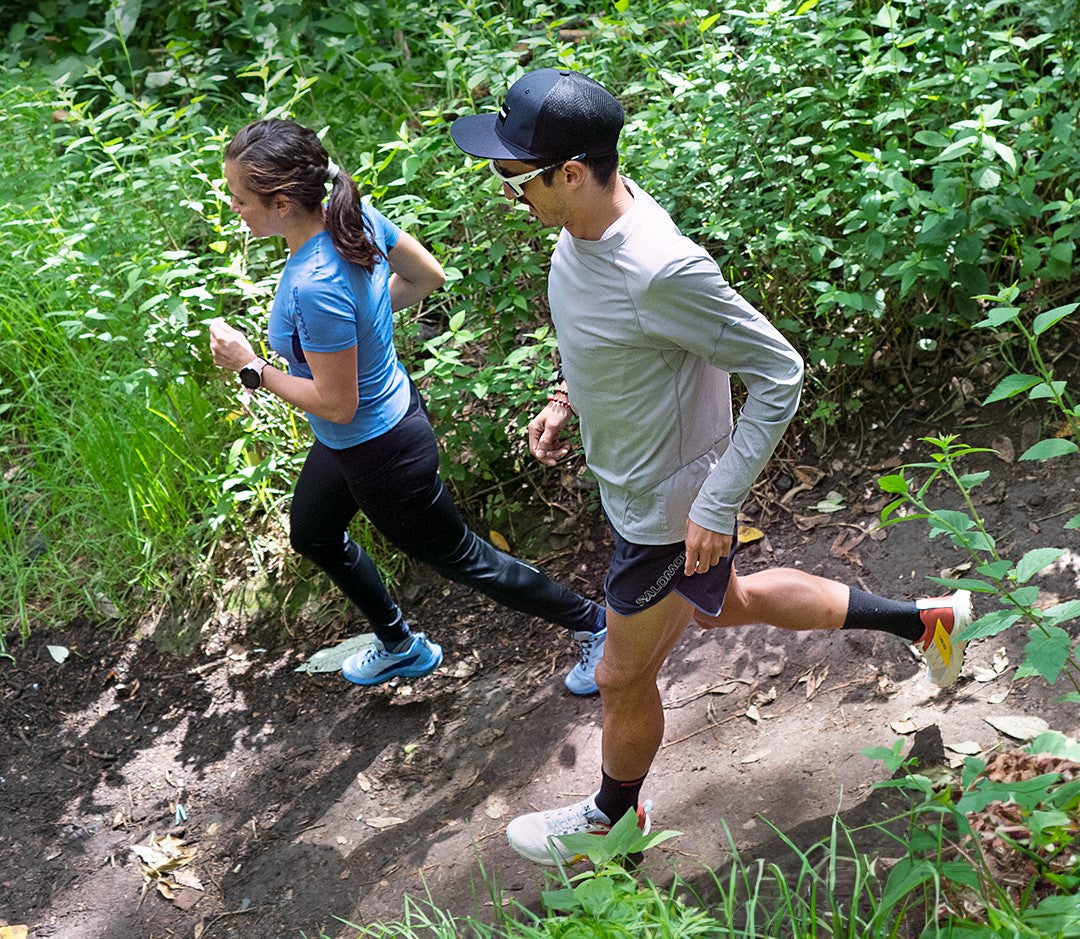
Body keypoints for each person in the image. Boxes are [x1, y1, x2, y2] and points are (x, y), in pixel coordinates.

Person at [450, 68, 973, 865]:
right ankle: (926, 621)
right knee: (732, 603)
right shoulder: (581, 226)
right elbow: (606, 335)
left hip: (670, 513)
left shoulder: (662, 267)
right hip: (639, 490)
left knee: (622, 674)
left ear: (569, 173)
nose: (504, 189)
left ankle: (611, 820)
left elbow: (780, 373)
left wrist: (717, 501)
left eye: (513, 176)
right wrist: (565, 395)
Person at [208, 117, 608, 694]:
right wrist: (363, 328)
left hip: (380, 451)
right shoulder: (353, 218)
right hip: (362, 435)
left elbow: (335, 403)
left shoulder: (315, 283)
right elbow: (425, 277)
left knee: (463, 558)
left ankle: (597, 626)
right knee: (314, 534)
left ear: (282, 202)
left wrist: (251, 368)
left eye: (240, 200)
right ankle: (400, 646)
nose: (234, 209)